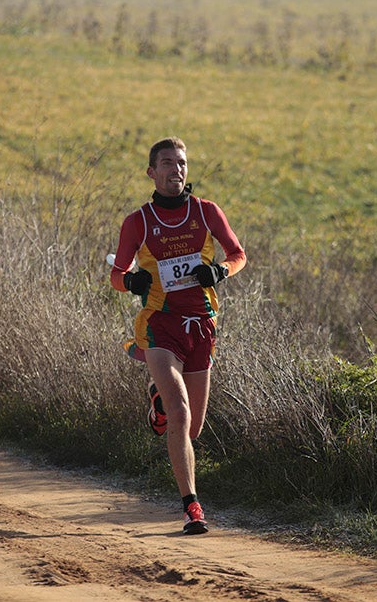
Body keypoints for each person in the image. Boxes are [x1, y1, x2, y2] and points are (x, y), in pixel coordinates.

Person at [110, 136, 246, 535]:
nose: (176, 169)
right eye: (167, 163)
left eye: (182, 163)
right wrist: (132, 282)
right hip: (159, 325)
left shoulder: (206, 213)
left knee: (192, 429)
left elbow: (238, 255)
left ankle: (159, 405)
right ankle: (192, 507)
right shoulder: (139, 221)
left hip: (201, 324)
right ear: (152, 172)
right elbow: (116, 275)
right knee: (182, 412)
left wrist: (219, 271)